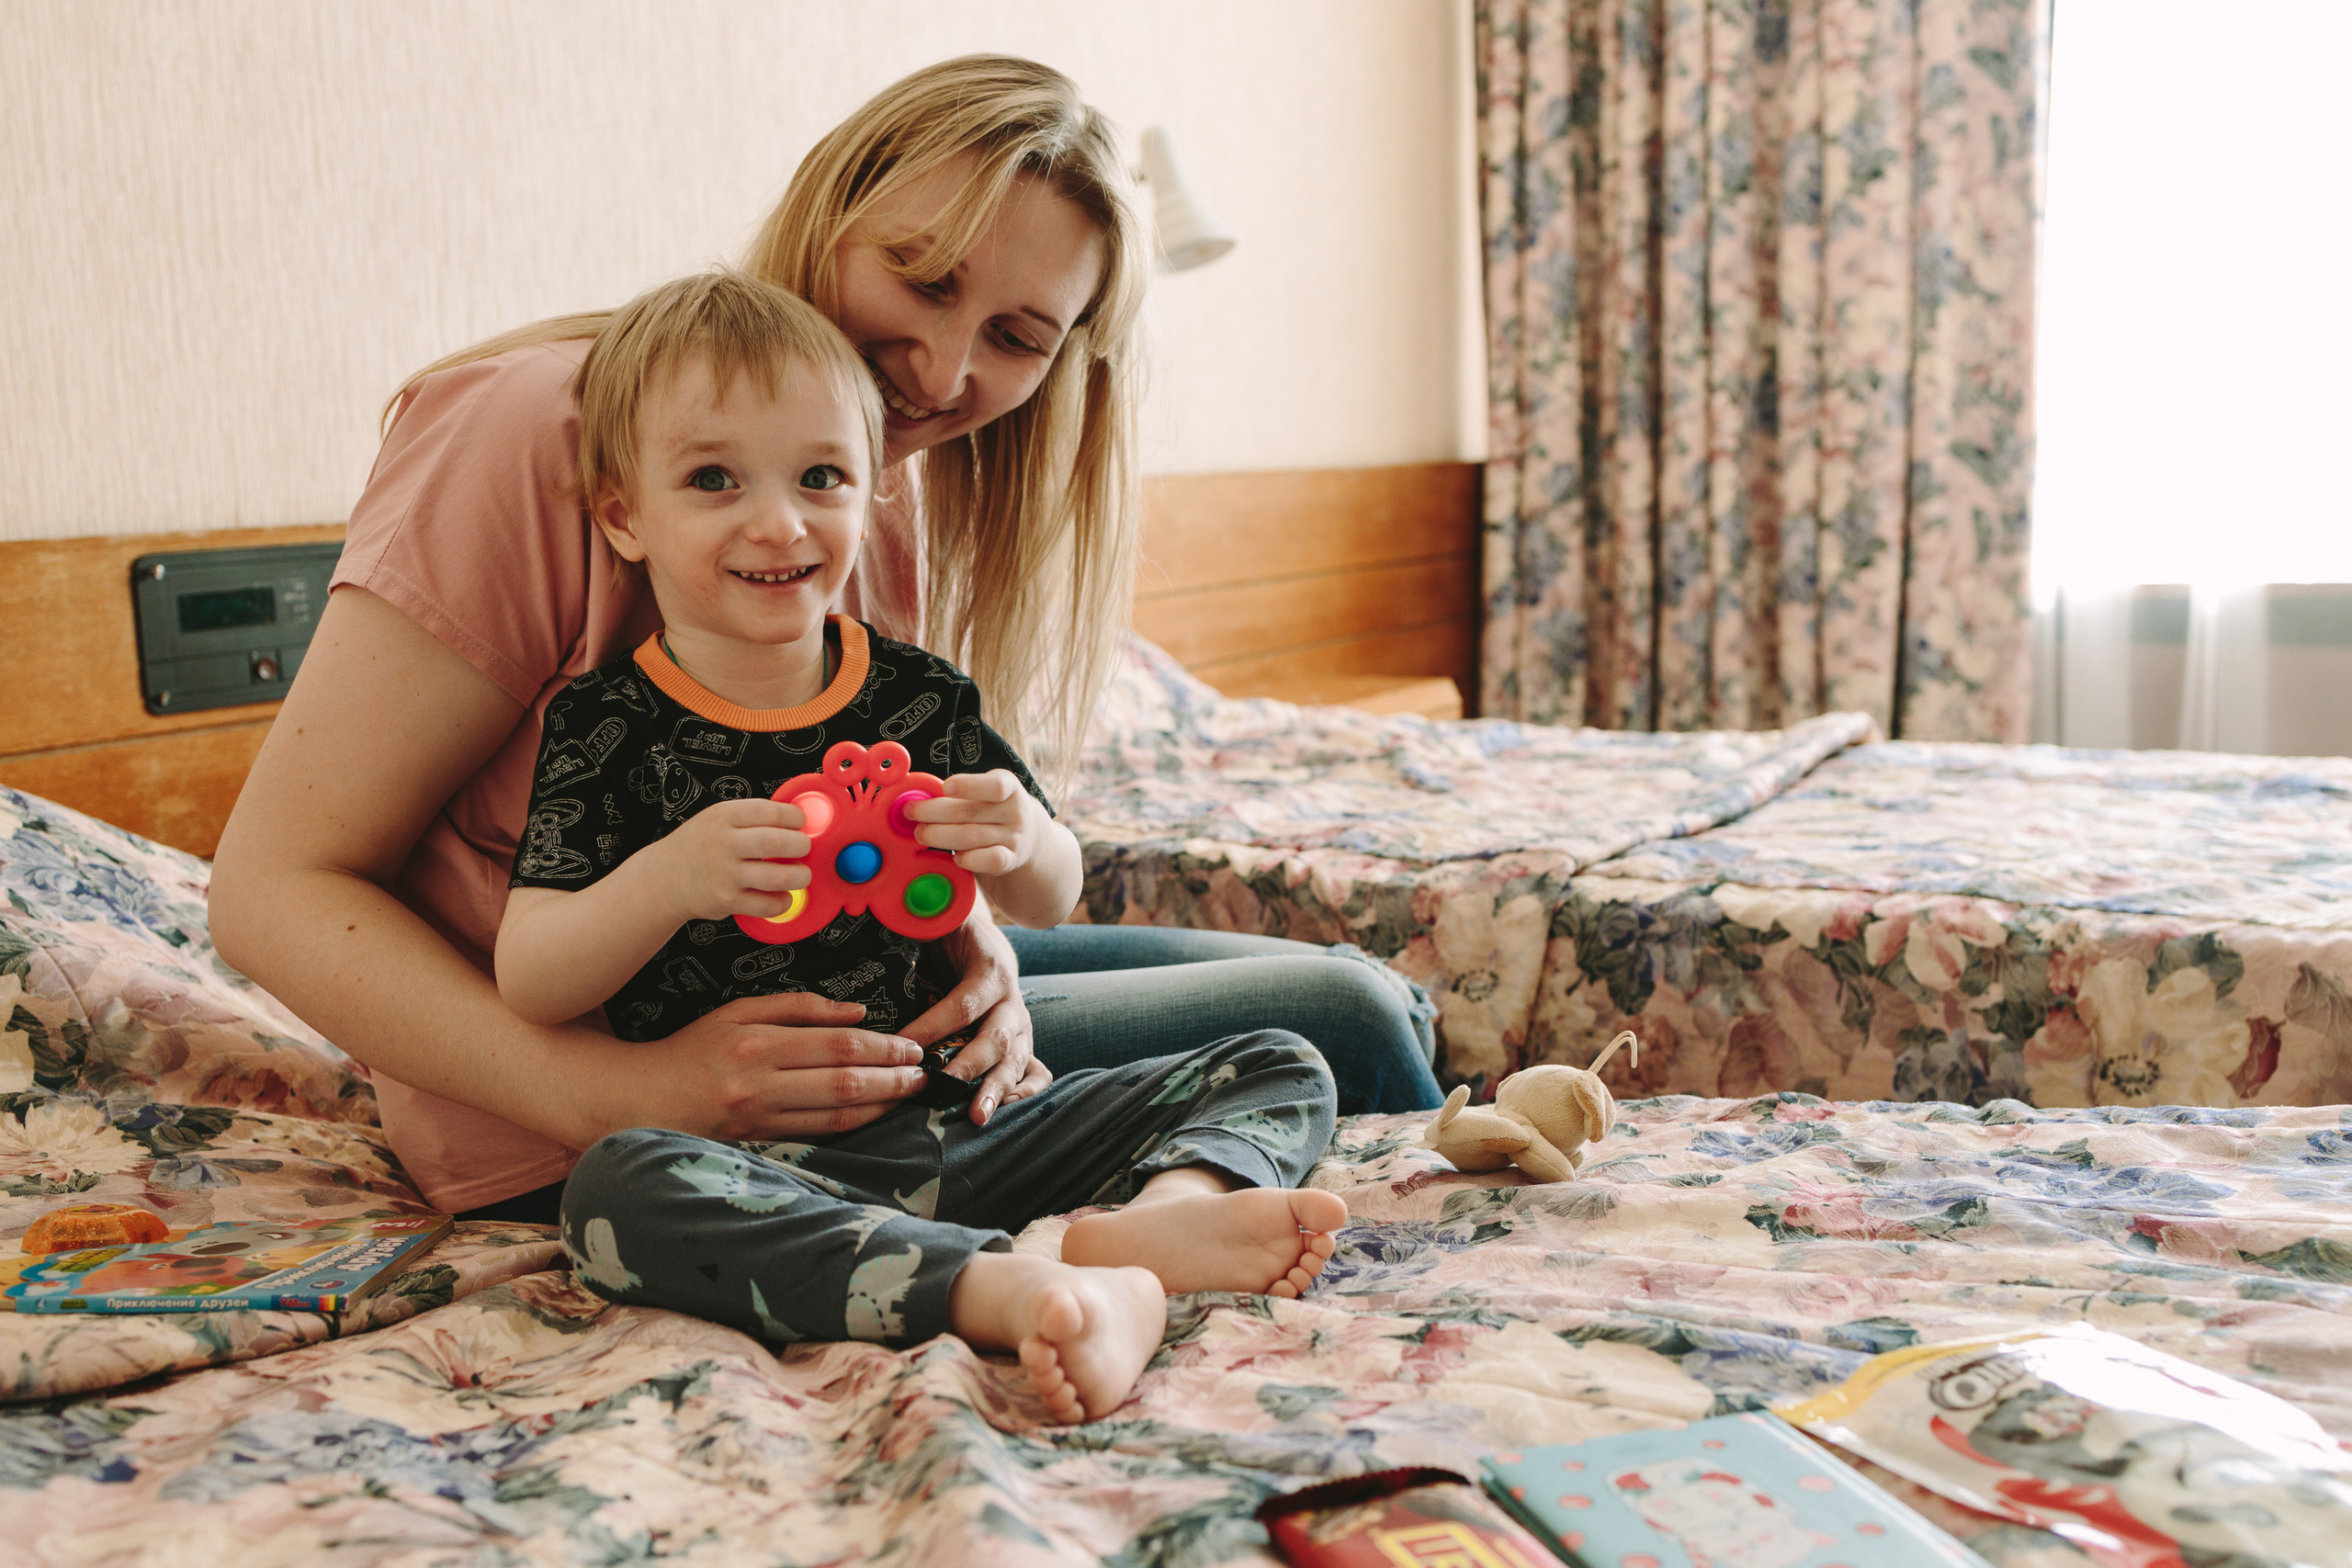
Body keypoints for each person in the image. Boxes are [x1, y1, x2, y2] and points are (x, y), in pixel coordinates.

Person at [207, 54, 1441, 1234]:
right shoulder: (540, 433)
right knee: (1348, 1019)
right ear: (827, 214)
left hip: (834, 1003)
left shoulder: (861, 495)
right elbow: (272, 891)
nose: (944, 373)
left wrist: (986, 960)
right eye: (924, 279)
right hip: (594, 1112)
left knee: (1374, 999)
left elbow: (858, 802)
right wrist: (612, 1096)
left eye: (1018, 338)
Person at [505, 270, 1346, 1423]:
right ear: (621, 516)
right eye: (712, 480)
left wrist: (1022, 835)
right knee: (614, 1193)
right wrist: (667, 879)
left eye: (821, 477)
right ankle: (1001, 1289)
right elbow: (532, 975)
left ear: (870, 490)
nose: (779, 523)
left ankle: (1153, 1226)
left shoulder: (915, 695)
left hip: (980, 1118)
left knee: (1281, 1059)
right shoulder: (605, 724)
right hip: (773, 1163)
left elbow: (1052, 896)